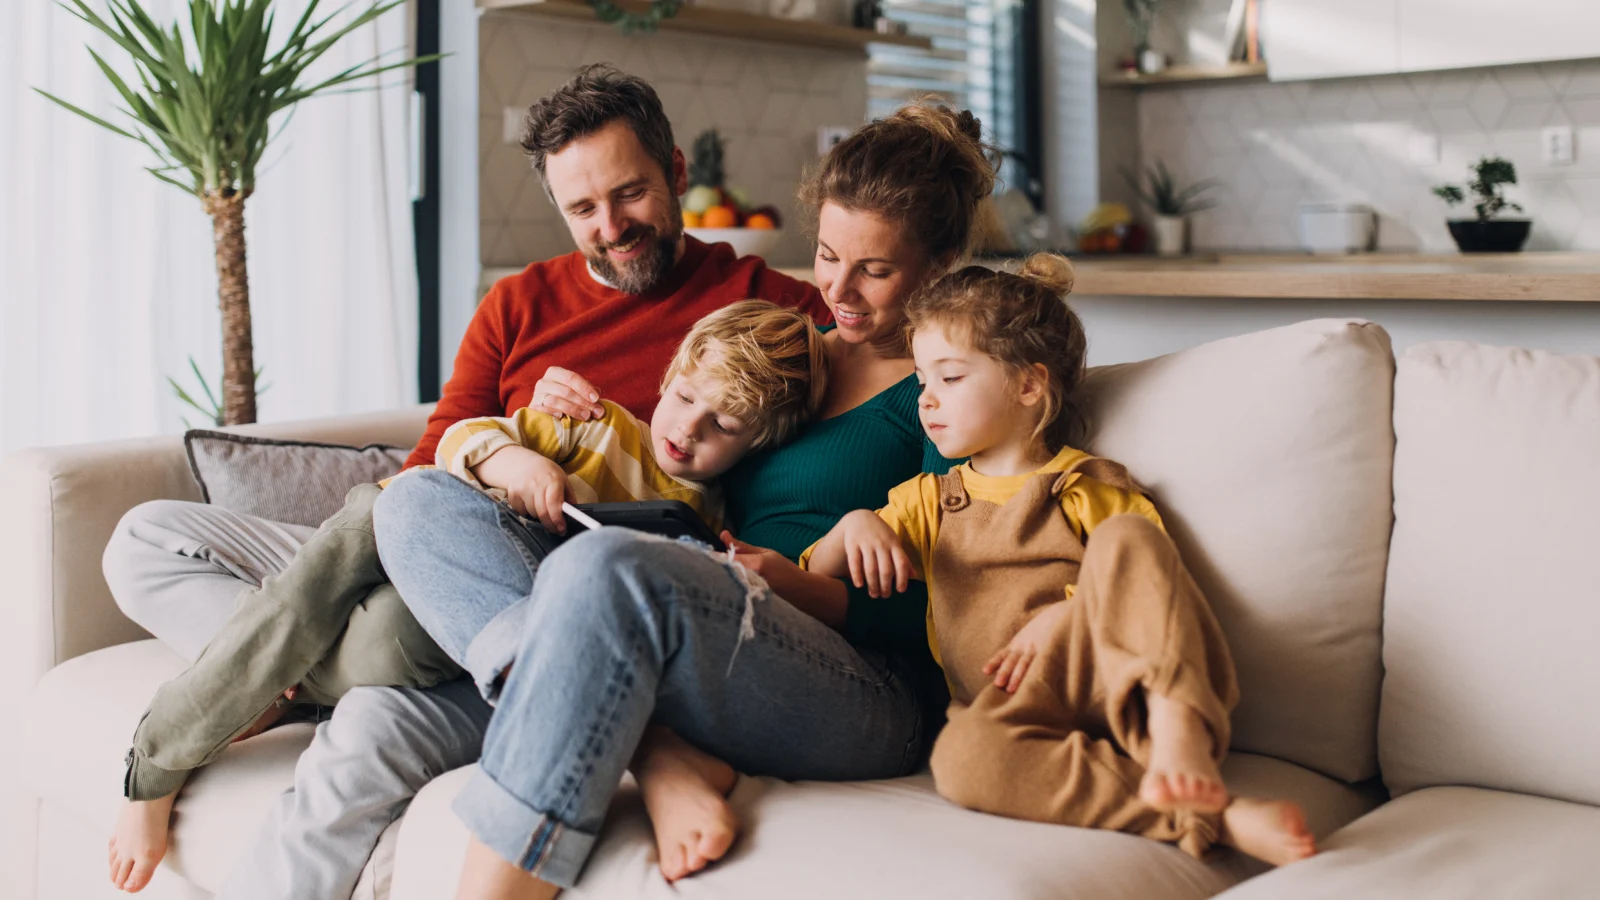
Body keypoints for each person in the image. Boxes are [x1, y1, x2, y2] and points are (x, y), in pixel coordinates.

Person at [100, 64, 826, 900]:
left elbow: (874, 366)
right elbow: (426, 470)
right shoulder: (519, 304)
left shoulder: (761, 310)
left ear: (677, 174)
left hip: (550, 616)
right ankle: (281, 667)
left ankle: (269, 674)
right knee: (145, 538)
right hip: (443, 550)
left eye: (629, 195)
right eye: (583, 209)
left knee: (358, 745)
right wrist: (507, 456)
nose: (612, 228)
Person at [373, 100, 997, 898]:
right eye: (827, 255)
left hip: (867, 688)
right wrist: (577, 428)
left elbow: (965, 609)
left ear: (940, 265)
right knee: (416, 503)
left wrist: (805, 579)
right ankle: (656, 746)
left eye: (874, 271)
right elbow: (684, 462)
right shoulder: (790, 355)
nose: (836, 291)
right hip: (715, 624)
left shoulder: (947, 390)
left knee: (604, 569)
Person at [804, 255, 1318, 866]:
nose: (928, 401)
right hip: (1012, 709)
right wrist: (854, 523)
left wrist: (1067, 618)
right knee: (960, 761)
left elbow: (1152, 581)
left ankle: (1180, 724)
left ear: (1028, 385)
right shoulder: (929, 501)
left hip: (1112, 681)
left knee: (1129, 537)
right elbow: (818, 571)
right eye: (922, 381)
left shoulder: (1083, 483)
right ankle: (1211, 815)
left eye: (951, 378)